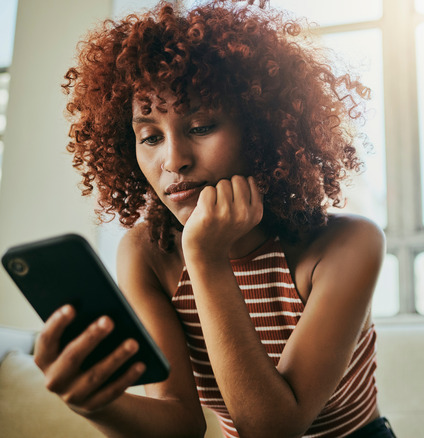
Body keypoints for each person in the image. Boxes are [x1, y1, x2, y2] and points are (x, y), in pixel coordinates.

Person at [32, 1, 393, 437]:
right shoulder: (148, 254)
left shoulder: (348, 245)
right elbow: (179, 424)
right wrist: (95, 404)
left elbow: (272, 429)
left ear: (261, 133)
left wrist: (205, 257)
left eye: (201, 127)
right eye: (149, 136)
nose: (174, 160)